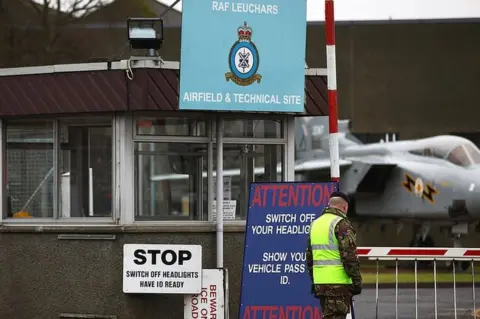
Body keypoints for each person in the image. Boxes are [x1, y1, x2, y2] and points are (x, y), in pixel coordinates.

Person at [306, 191, 362, 319]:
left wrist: (315, 280)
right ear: (345, 207)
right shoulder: (342, 224)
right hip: (338, 284)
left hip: (321, 284)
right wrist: (357, 281)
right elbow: (350, 257)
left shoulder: (315, 224)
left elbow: (309, 258)